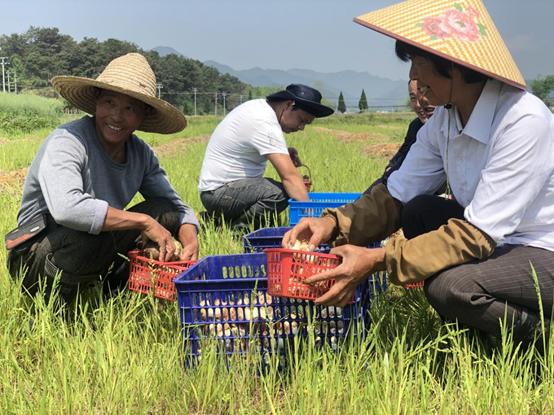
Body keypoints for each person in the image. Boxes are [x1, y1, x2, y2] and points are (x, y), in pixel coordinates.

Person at [284, 0, 554, 349]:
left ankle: (541, 343)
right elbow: (396, 194)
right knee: (420, 209)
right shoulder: (447, 118)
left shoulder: (521, 120)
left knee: (452, 287)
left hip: (540, 248)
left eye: (419, 64)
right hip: (499, 241)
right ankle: (480, 338)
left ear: (454, 67)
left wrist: (378, 259)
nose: (414, 79)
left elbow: (477, 235)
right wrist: (333, 224)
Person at [5, 52, 199, 304]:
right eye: (110, 103)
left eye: (130, 108)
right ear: (97, 102)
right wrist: (143, 221)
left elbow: (176, 206)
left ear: (143, 116)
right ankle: (58, 302)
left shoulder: (140, 153)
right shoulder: (68, 140)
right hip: (38, 254)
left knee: (164, 210)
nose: (117, 116)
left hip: (90, 244)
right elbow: (67, 209)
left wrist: (190, 239)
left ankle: (109, 292)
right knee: (90, 231)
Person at [198, 84, 334, 229]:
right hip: (219, 193)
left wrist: (285, 152)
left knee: (267, 223)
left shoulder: (259, 109)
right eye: (301, 120)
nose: (301, 127)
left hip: (220, 191)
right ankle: (236, 230)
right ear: (288, 105)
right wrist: (313, 218)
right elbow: (290, 177)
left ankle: (215, 222)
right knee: (280, 193)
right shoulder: (264, 122)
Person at [365, 79, 436, 193]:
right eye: (413, 98)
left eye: (425, 94)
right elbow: (400, 159)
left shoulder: (451, 128)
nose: (419, 104)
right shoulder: (416, 127)